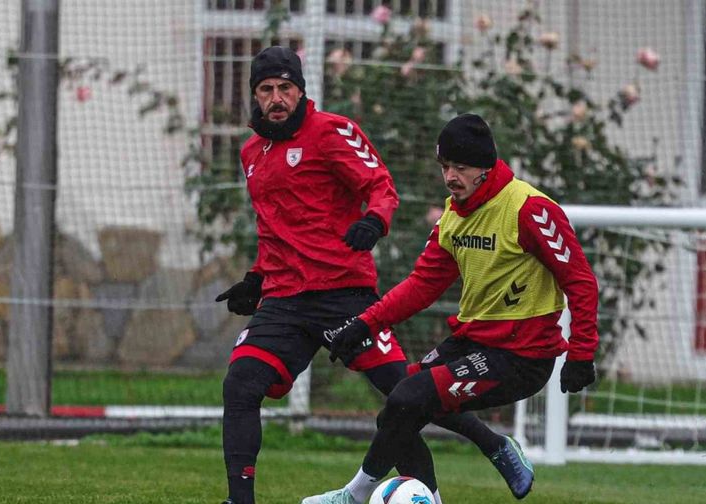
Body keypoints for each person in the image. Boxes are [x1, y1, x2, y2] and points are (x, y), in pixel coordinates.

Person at [215, 48, 531, 504]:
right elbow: (276, 227)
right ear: (255, 96)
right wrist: (257, 278)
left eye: (286, 88)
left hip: (345, 295)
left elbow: (380, 185)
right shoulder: (252, 152)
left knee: (405, 394)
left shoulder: (332, 131)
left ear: (301, 90)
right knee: (240, 384)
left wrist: (375, 222)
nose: (277, 98)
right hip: (284, 300)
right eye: (267, 90)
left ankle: (494, 446)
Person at [303, 113, 600, 504]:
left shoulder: (529, 210)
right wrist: (365, 325)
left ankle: (353, 497)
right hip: (474, 342)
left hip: (522, 356)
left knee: (410, 400)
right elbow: (422, 285)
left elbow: (580, 280)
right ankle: (480, 458)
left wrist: (580, 353)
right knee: (397, 410)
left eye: (460, 167)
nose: (450, 177)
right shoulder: (454, 215)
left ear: (486, 168)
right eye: (445, 167)